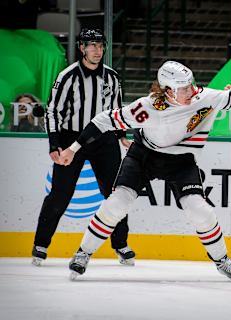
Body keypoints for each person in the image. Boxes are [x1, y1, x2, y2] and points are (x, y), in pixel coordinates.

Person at [58, 61, 231, 281]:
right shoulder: (146, 108)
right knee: (116, 203)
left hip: (181, 161)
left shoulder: (205, 97)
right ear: (168, 90)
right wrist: (73, 149)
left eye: (191, 84)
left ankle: (222, 260)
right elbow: (102, 121)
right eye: (183, 88)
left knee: (200, 210)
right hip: (143, 157)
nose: (191, 91)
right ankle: (83, 253)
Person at [32, 28, 135, 267]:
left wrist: (121, 135)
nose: (97, 51)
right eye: (92, 46)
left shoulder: (112, 77)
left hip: (104, 141)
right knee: (60, 195)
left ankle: (120, 244)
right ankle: (41, 244)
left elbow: (116, 110)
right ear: (81, 48)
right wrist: (55, 143)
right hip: (71, 141)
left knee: (115, 194)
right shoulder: (67, 76)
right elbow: (52, 111)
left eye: (100, 46)